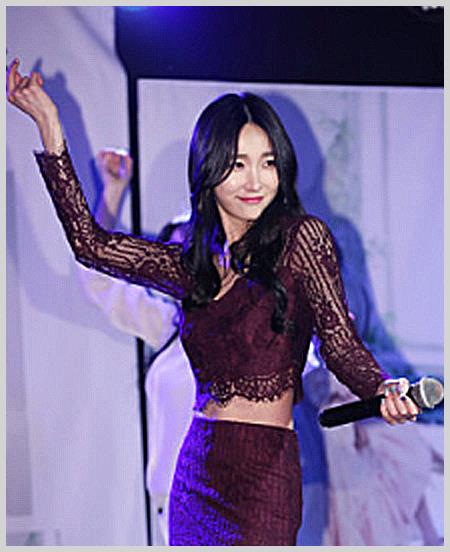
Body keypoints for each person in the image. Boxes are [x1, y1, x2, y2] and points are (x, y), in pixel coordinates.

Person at [7, 59, 421, 546]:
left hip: (267, 475)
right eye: (238, 164)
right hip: (198, 469)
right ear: (209, 168)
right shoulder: (191, 265)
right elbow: (91, 245)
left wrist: (380, 387)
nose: (255, 181)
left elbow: (340, 343)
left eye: (268, 163)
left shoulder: (303, 240)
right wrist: (48, 124)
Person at [77, 149, 195, 545]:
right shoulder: (168, 324)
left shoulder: (252, 329)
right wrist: (113, 191)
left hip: (232, 506)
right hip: (174, 510)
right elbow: (98, 279)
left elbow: (308, 361)